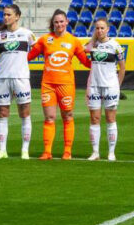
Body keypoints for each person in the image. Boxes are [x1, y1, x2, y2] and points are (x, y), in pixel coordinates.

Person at [27, 9, 91, 160]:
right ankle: (47, 152)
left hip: (66, 84)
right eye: (56, 22)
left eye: (62, 21)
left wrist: (100, 57)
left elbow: (86, 62)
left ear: (67, 22)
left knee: (67, 116)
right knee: (49, 117)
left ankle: (67, 151)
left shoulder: (74, 41)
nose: (59, 24)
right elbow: (28, 56)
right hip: (48, 84)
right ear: (53, 24)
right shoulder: (44, 40)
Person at [0, 4, 35, 160]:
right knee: (2, 114)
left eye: (9, 14)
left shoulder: (27, 34)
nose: (6, 17)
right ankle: (2, 151)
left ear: (17, 16)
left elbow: (40, 50)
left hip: (21, 78)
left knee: (24, 113)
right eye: (4, 15)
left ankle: (25, 150)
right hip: (2, 78)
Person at [84, 17, 126, 161]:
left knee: (110, 118)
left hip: (110, 86)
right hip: (94, 86)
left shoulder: (115, 45)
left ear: (108, 29)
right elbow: (82, 51)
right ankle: (95, 152)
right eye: (97, 28)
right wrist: (93, 39)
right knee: (94, 118)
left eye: (102, 28)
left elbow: (122, 68)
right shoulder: (92, 45)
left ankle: (111, 152)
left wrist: (118, 86)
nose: (99, 30)